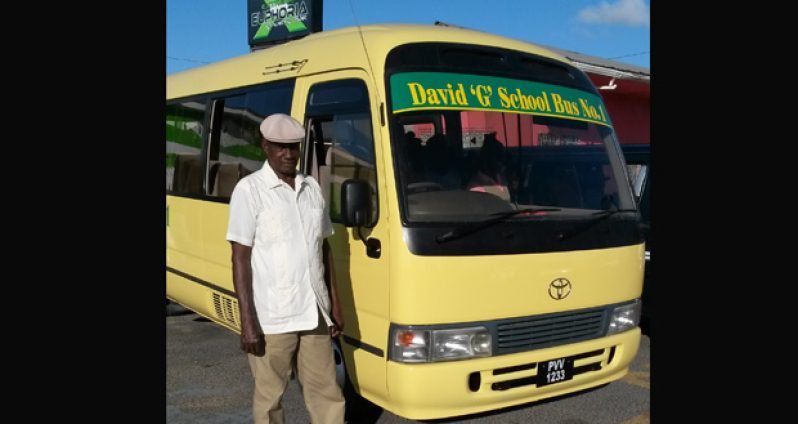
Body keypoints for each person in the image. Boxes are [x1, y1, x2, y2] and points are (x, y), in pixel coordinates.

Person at [226, 113, 345, 424]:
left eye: (294, 147)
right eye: (280, 147)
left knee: (327, 393)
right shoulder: (249, 191)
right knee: (270, 399)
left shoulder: (311, 189)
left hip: (314, 313)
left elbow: (323, 247)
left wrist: (335, 305)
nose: (288, 154)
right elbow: (239, 258)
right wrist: (247, 322)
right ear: (265, 146)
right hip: (272, 317)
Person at [467, 133, 510, 201]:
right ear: (488, 159)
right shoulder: (476, 187)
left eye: (502, 158)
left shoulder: (500, 178)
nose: (502, 162)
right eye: (499, 158)